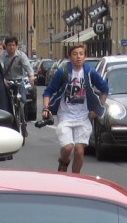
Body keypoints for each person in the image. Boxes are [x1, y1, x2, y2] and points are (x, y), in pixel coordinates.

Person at [40, 42, 107, 173]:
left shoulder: (89, 72)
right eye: (75, 54)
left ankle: (76, 179)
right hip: (66, 115)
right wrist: (46, 108)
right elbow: (48, 91)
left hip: (83, 117)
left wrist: (97, 108)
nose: (78, 57)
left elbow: (104, 89)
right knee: (67, 147)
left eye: (81, 54)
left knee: (79, 150)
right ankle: (63, 162)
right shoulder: (63, 71)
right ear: (69, 56)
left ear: (85, 56)